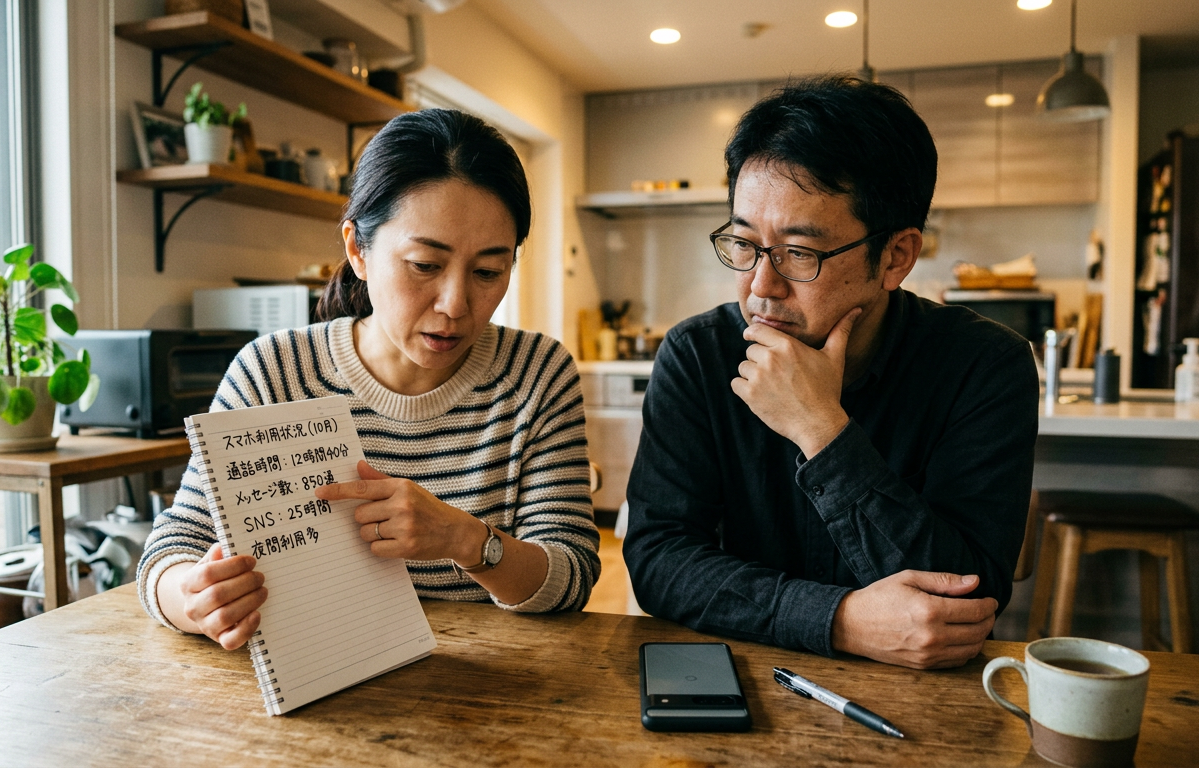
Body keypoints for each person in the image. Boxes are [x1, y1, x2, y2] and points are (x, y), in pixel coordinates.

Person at [136, 109, 600, 650]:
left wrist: (464, 538)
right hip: (312, 681)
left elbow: (570, 576)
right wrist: (192, 599)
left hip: (482, 695)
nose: (455, 305)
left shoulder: (536, 374)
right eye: (425, 265)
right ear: (358, 249)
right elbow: (174, 546)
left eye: (488, 272)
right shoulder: (274, 372)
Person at [622, 76, 1039, 670]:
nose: (760, 288)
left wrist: (822, 430)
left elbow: (967, 595)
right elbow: (659, 559)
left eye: (800, 253)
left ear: (896, 257)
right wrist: (836, 620)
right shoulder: (698, 354)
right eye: (744, 244)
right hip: (743, 674)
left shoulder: (984, 366)